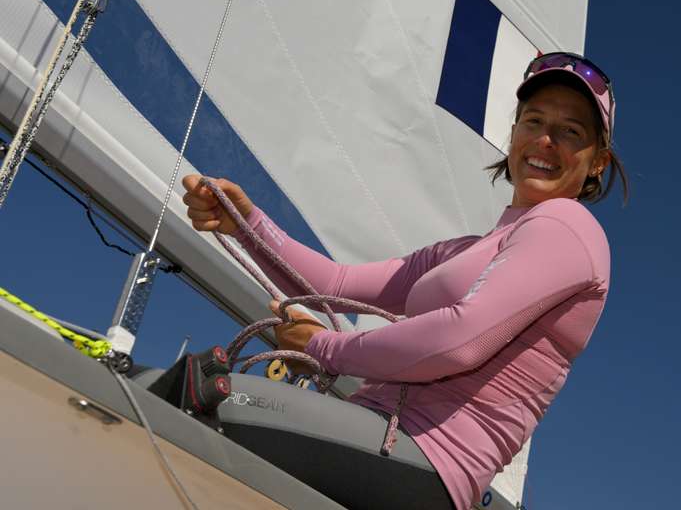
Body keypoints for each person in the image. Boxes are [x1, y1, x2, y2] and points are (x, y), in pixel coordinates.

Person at [182, 52, 628, 510]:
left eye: (571, 132)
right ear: (513, 135)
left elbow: (460, 340)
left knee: (199, 403)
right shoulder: (461, 251)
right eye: (534, 121)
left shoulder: (568, 226)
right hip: (376, 436)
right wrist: (245, 222)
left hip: (429, 461)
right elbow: (333, 283)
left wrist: (322, 348)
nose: (546, 140)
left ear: (597, 162)